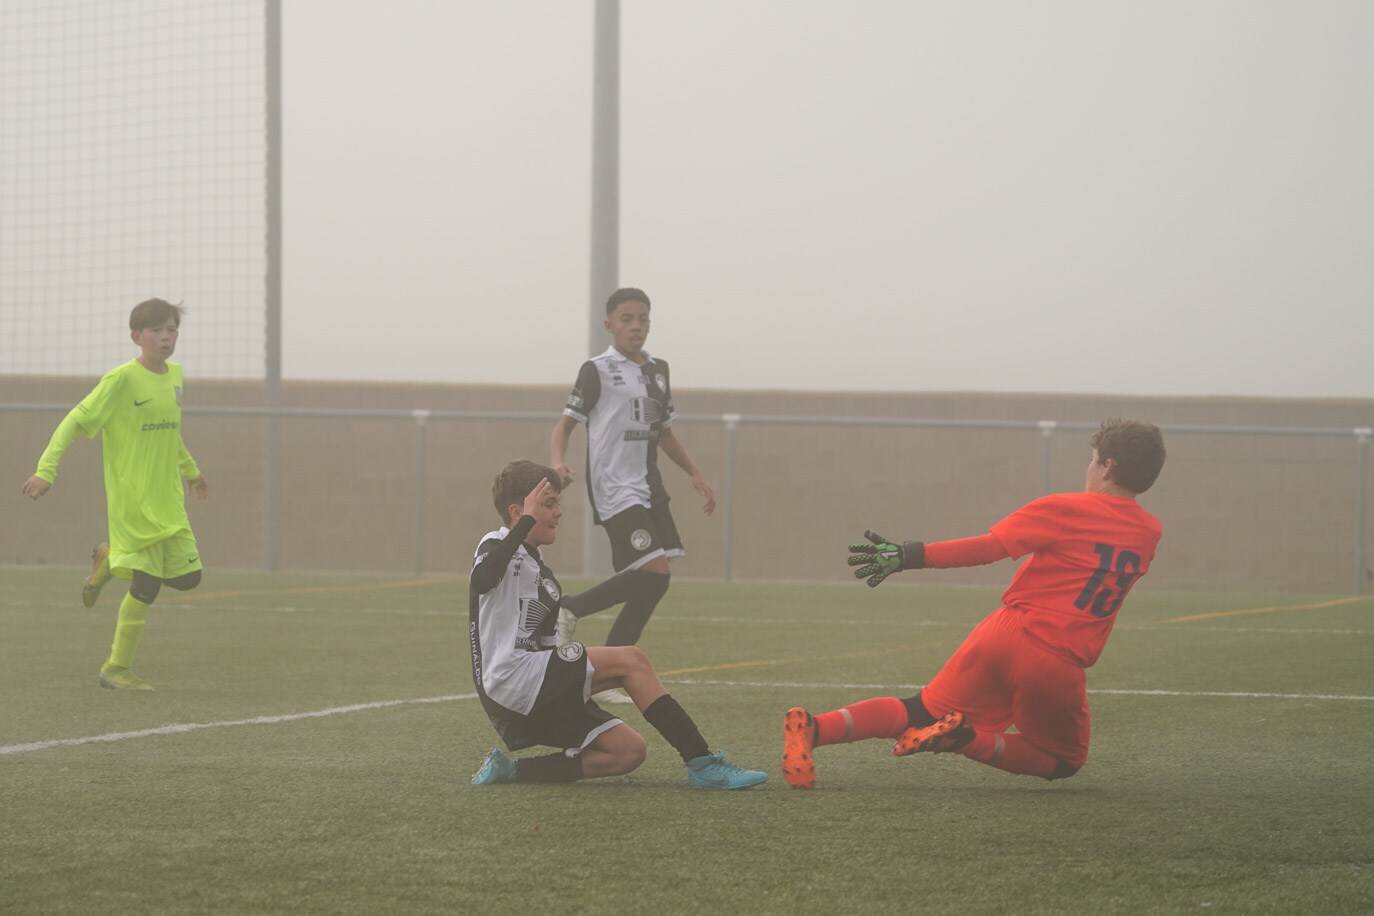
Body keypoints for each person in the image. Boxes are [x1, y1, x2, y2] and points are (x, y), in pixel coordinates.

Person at [782, 418, 1165, 789]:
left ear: (1108, 466)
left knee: (918, 711)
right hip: (1054, 658)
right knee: (1064, 761)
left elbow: (989, 548)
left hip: (1003, 633)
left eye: (1094, 458)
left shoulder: (1067, 507)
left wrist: (907, 555)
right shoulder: (1150, 532)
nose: (1089, 467)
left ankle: (813, 728)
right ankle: (963, 739)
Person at [468, 459, 765, 790]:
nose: (558, 513)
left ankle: (512, 771)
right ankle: (703, 764)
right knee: (631, 660)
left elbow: (548, 645)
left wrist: (573, 690)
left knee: (628, 752)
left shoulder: (543, 576)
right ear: (516, 512)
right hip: (512, 680)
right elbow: (482, 579)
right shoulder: (495, 544)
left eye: (558, 504)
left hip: (531, 686)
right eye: (548, 504)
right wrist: (526, 521)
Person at [21, 298, 209, 691]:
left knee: (190, 577)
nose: (166, 337)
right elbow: (74, 421)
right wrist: (46, 469)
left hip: (169, 502)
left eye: (172, 329)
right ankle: (115, 668)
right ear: (136, 337)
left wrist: (191, 471)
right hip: (133, 503)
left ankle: (109, 563)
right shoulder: (120, 380)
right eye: (156, 330)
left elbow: (170, 433)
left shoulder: (175, 376)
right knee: (147, 586)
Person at [549, 287, 715, 702]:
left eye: (643, 318)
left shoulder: (660, 370)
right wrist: (557, 460)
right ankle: (569, 609)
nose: (636, 326)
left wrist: (695, 472)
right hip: (613, 486)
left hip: (649, 488)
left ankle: (603, 676)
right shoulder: (597, 369)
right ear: (610, 325)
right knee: (654, 571)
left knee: (657, 582)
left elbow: (665, 434)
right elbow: (565, 425)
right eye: (626, 318)